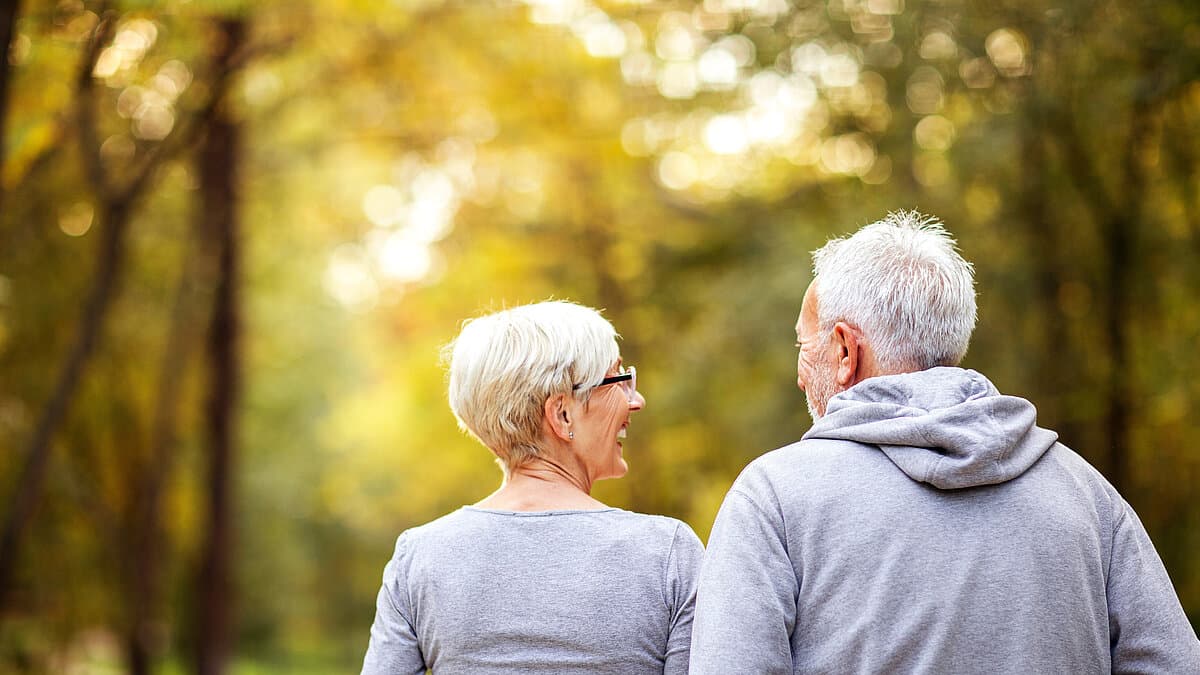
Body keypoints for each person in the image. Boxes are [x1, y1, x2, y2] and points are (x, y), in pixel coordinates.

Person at [690, 212, 1200, 673]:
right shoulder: (1085, 492)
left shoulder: (773, 498)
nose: (802, 378)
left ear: (846, 350)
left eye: (805, 347)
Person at [361, 301, 702, 674]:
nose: (636, 400)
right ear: (562, 414)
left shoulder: (420, 558)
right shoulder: (668, 553)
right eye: (619, 380)